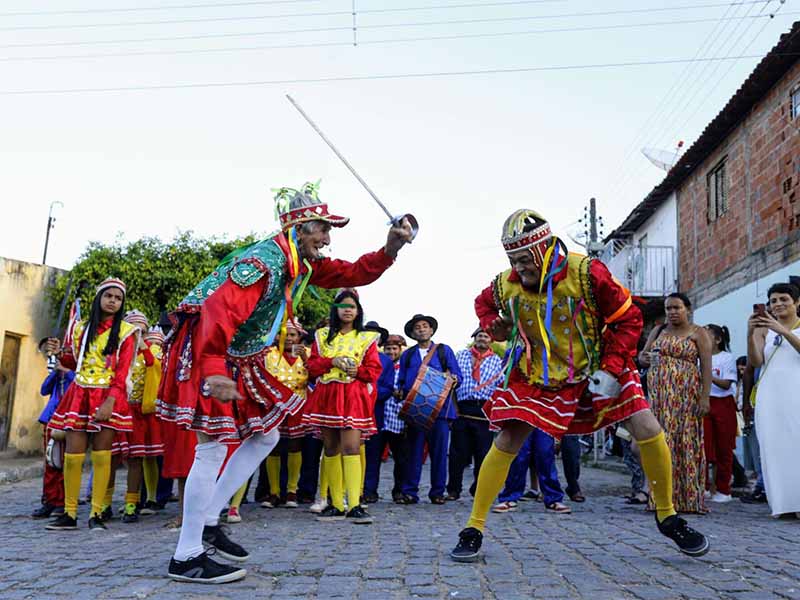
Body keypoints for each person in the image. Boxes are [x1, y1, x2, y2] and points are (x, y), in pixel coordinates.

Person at [157, 182, 413, 583]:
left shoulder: (300, 263)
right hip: (209, 349)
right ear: (299, 227)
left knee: (266, 436)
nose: (327, 240)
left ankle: (209, 519)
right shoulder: (262, 263)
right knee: (211, 447)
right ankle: (186, 555)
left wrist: (390, 249)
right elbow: (216, 315)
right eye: (322, 230)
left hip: (238, 354)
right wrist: (214, 370)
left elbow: (353, 272)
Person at [450, 209, 709, 562]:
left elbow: (629, 318)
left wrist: (612, 368)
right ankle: (473, 527)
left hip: (596, 366)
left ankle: (667, 515)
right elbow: (483, 305)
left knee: (648, 428)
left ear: (542, 249)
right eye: (512, 259)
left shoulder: (587, 272)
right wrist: (494, 323)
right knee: (507, 440)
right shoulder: (504, 283)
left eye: (524, 259)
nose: (519, 267)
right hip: (537, 374)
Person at [45, 278, 139, 532]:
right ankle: (70, 512)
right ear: (99, 298)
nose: (113, 301)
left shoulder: (127, 332)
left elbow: (122, 372)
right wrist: (56, 350)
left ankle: (97, 513)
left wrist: (110, 402)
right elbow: (72, 360)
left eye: (118, 298)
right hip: (79, 394)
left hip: (108, 395)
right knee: (73, 456)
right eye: (109, 296)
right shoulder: (81, 330)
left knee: (101, 456)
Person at [303, 289, 383, 524]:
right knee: (330, 448)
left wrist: (356, 370)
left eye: (352, 306)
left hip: (352, 396)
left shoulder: (366, 338)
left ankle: (355, 504)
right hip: (327, 395)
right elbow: (313, 366)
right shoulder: (321, 336)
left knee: (351, 447)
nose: (347, 310)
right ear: (335, 309)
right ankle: (336, 504)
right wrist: (332, 361)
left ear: (358, 311)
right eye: (343, 306)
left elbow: (374, 371)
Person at [641, 294, 712, 514]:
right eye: (668, 308)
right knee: (661, 443)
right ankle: (661, 499)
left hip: (686, 397)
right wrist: (643, 358)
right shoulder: (658, 331)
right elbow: (642, 356)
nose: (672, 312)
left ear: (687, 309)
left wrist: (704, 397)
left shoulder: (698, 333)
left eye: (677, 308)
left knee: (686, 443)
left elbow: (706, 368)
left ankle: (689, 498)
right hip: (660, 398)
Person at [397, 314, 463, 505]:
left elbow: (457, 375)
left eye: (425, 326)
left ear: (431, 330)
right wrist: (401, 392)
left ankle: (437, 492)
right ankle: (410, 491)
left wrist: (453, 379)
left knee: (439, 453)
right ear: (412, 333)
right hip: (415, 411)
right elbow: (402, 380)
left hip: (440, 411)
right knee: (414, 453)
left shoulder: (443, 351)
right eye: (417, 327)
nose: (421, 329)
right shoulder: (408, 355)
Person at [747, 283, 800, 517]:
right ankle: (782, 504)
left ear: (797, 302)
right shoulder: (763, 331)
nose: (777, 304)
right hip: (770, 395)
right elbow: (756, 361)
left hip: (795, 391)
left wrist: (783, 330)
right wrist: (750, 333)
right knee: (773, 446)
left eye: (783, 299)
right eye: (773, 301)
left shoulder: (788, 328)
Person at [447, 327, 502, 501]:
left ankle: (478, 488)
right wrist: (453, 408)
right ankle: (453, 490)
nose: (482, 339)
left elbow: (500, 388)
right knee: (457, 453)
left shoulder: (498, 361)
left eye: (486, 336)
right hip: (462, 408)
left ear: (491, 340)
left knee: (483, 454)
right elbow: (451, 382)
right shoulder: (461, 355)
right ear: (474, 338)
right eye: (479, 336)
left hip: (484, 410)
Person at [120, 312, 165, 523]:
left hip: (142, 412)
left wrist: (143, 345)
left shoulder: (150, 352)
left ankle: (140, 501)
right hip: (121, 410)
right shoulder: (122, 352)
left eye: (141, 331)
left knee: (143, 456)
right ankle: (104, 504)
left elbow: (153, 365)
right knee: (125, 458)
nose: (137, 334)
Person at [262, 318, 309, 509]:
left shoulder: (308, 354)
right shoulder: (268, 354)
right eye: (283, 334)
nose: (288, 338)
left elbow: (316, 373)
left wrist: (306, 359)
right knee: (272, 446)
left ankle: (292, 491)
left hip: (298, 405)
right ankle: (274, 492)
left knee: (294, 447)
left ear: (299, 337)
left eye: (292, 334)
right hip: (274, 406)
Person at [31, 340, 75, 519]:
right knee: (51, 461)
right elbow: (44, 390)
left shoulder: (76, 374)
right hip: (52, 419)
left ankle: (62, 501)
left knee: (65, 462)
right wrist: (56, 372)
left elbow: (78, 384)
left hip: (70, 419)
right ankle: (49, 500)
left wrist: (68, 371)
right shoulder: (58, 376)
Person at [363, 333, 408, 504]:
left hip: (398, 419)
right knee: (372, 457)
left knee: (401, 459)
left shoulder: (406, 367)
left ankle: (399, 491)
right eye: (388, 348)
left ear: (400, 350)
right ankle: (369, 491)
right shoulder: (378, 363)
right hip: (380, 417)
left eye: (394, 349)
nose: (391, 352)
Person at [493, 429, 570, 514]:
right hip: (523, 418)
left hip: (545, 419)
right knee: (519, 456)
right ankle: (510, 496)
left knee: (545, 454)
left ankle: (553, 497)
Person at [703, 324, 738, 503]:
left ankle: (724, 489)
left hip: (723, 403)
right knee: (704, 447)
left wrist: (708, 375)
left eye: (707, 335)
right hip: (704, 402)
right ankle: (704, 487)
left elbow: (726, 384)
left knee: (724, 448)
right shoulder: (698, 357)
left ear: (718, 340)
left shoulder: (726, 358)